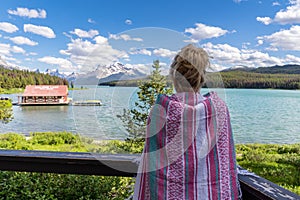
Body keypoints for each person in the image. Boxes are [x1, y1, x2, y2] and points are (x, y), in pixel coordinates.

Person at [133, 44, 241, 200]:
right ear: (202, 77)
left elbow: (151, 159)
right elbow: (224, 161)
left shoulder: (160, 110)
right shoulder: (219, 109)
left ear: (174, 76)